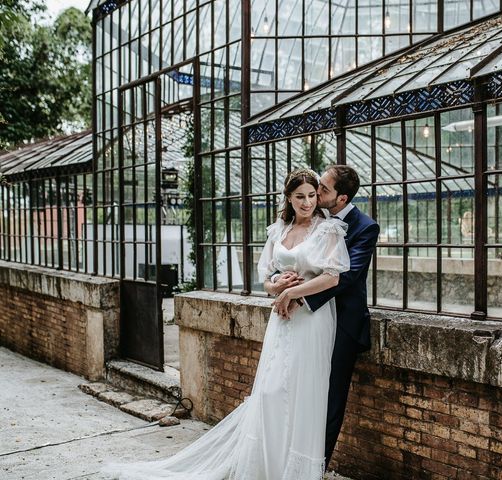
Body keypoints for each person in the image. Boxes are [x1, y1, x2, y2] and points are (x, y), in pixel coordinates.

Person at [102, 168, 350, 479]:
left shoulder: (328, 230)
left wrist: (293, 293)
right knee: (271, 391)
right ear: (288, 197)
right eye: (300, 196)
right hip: (283, 321)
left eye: (312, 196)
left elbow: (333, 276)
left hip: (311, 321)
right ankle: (267, 464)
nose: (307, 202)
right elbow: (265, 278)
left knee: (304, 392)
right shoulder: (279, 230)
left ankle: (295, 470)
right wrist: (278, 287)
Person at [273, 165, 379, 469]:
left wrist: (298, 295)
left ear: (341, 198)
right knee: (296, 391)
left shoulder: (365, 227)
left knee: (330, 400)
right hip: (307, 321)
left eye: (323, 189)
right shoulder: (313, 220)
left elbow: (346, 276)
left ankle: (314, 469)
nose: (316, 193)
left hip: (343, 324)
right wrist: (284, 283)